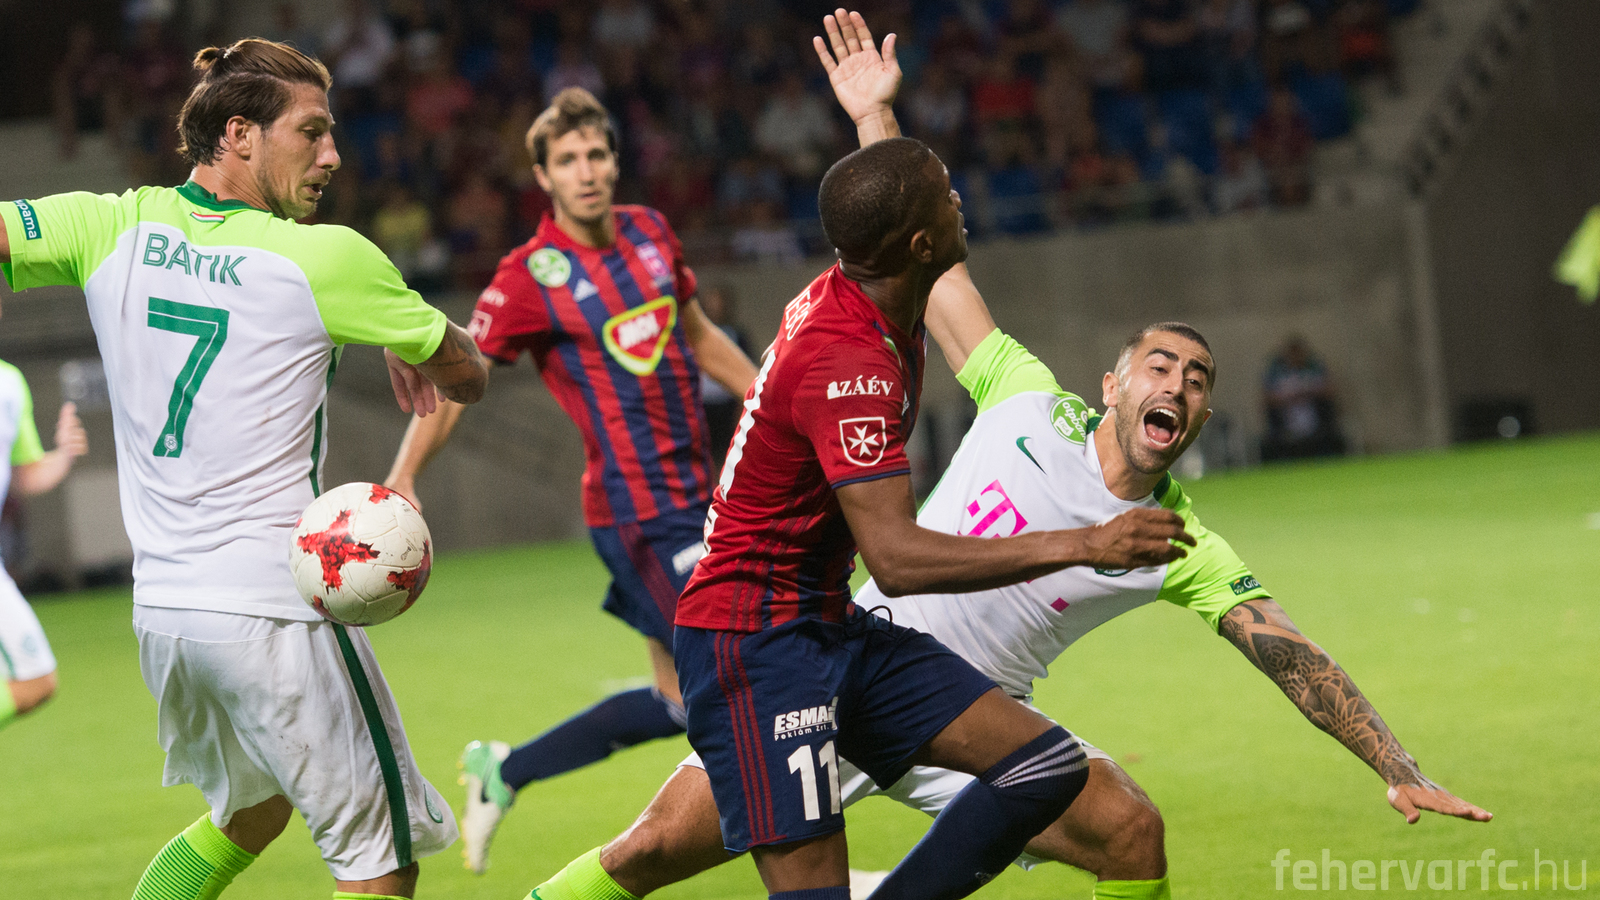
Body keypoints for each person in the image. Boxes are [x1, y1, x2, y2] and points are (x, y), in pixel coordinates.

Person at [524, 14, 1491, 900]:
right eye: (1160, 364)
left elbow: (1288, 651)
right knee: (651, 850)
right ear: (1111, 383)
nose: (1180, 384)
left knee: (1130, 832)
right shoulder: (1021, 390)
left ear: (1200, 415)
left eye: (1199, 379)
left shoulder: (1175, 539)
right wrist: (875, 120)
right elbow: (921, 258)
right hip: (836, 646)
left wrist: (1396, 763)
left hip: (964, 721)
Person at [584, 13, 1196, 900]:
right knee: (658, 854)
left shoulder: (873, 284)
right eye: (946, 197)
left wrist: (874, 115)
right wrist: (1087, 544)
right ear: (919, 245)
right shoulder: (853, 366)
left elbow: (888, 198)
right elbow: (899, 560)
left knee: (1046, 767)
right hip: (756, 644)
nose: (959, 201)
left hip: (826, 621)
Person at [0, 38, 488, 900]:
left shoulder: (109, 225)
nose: (332, 155)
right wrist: (408, 332)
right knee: (380, 864)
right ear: (239, 135)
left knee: (252, 812)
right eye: (312, 132)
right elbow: (470, 376)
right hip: (276, 609)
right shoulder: (327, 259)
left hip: (167, 615)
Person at [382, 86, 759, 876]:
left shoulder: (651, 233)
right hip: (636, 514)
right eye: (568, 161)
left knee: (679, 704)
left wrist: (773, 402)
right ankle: (783, 861)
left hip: (704, 498)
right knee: (746, 671)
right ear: (543, 177)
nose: (586, 171)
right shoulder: (530, 276)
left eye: (596, 154)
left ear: (615, 162)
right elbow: (458, 378)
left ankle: (504, 770)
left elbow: (699, 337)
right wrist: (405, 473)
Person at [0, 385, 88, 729]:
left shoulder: (10, 383)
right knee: (35, 680)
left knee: (36, 682)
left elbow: (23, 475)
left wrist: (63, 455)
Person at [1260, 335, 1346, 461]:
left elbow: (1331, 389)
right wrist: (1289, 397)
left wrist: (1308, 391)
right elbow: (1266, 398)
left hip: (1314, 420)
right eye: (1292, 354)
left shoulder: (1314, 368)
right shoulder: (1277, 373)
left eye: (1299, 353)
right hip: (1288, 420)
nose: (1296, 357)